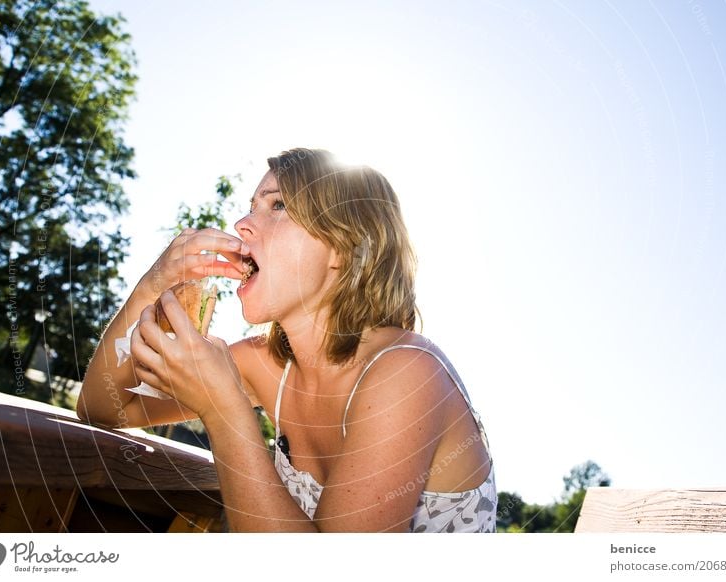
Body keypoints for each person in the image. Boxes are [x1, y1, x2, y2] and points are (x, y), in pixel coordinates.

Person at [77, 148, 497, 532]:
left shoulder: (407, 372)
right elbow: (103, 408)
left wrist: (222, 409)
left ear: (343, 248)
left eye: (278, 205)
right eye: (250, 208)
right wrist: (151, 285)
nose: (242, 224)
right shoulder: (264, 364)